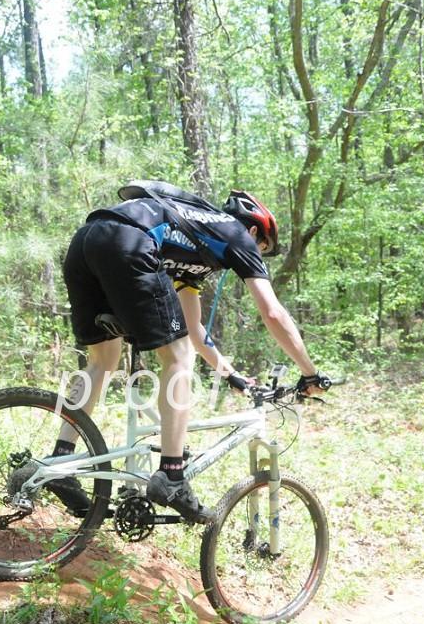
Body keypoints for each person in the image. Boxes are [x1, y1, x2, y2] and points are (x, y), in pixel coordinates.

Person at [47, 181, 327, 524]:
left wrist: (232, 375)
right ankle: (172, 475)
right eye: (261, 247)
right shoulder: (235, 233)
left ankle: (61, 459)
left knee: (103, 360)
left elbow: (194, 330)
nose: (257, 255)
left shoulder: (192, 248)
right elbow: (272, 312)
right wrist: (310, 372)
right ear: (253, 229)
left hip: (87, 241)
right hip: (130, 242)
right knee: (178, 359)